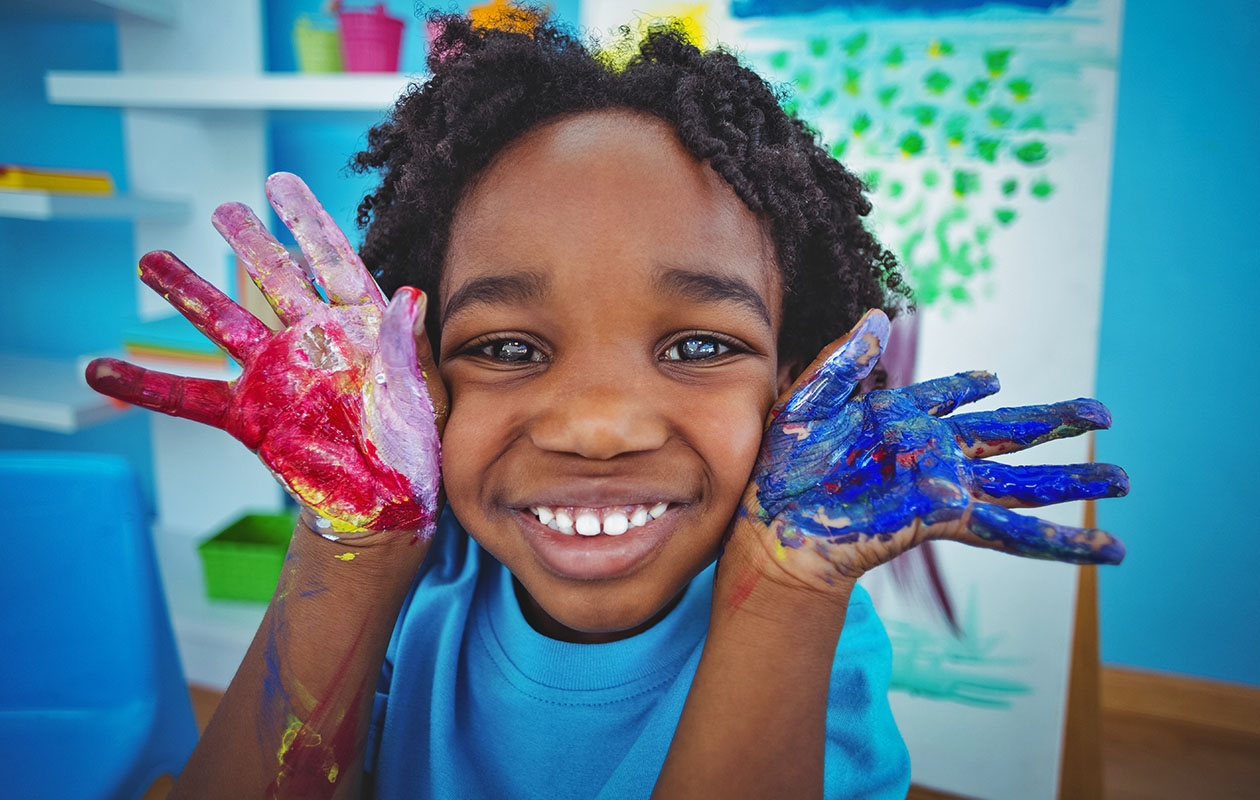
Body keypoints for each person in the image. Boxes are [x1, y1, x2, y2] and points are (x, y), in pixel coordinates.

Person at [85, 11, 1127, 800]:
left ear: (798, 381)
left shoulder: (816, 630)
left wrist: (783, 587)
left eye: (701, 344)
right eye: (504, 347)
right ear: (428, 383)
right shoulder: (420, 577)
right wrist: (347, 550)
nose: (598, 425)